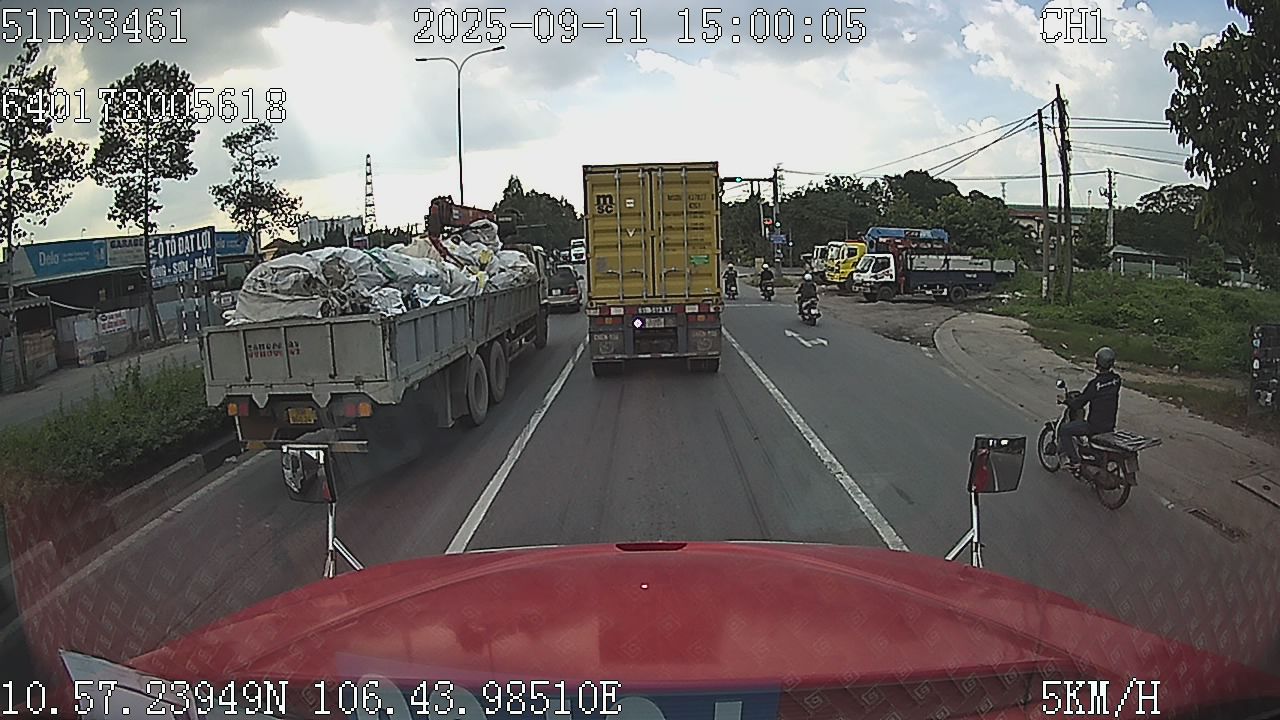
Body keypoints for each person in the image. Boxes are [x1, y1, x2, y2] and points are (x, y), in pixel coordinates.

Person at [1058, 346, 1121, 471]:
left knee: (1064, 430)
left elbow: (1079, 404)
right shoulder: (1117, 380)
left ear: (1098, 363)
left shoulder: (1095, 384)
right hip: (1109, 425)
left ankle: (1075, 461)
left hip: (1094, 426)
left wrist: (1066, 400)